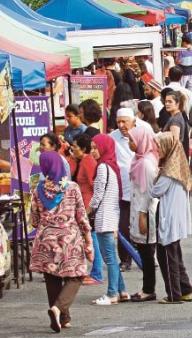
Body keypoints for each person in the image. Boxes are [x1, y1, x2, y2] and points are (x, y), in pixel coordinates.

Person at [30, 151, 93, 332]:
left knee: (52, 277)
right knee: (77, 275)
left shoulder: (38, 189)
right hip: (69, 239)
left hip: (45, 240)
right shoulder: (71, 187)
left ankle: (63, 319)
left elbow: (34, 220)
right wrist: (88, 240)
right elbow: (81, 216)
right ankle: (59, 309)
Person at [150, 133, 192, 304]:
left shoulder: (168, 172)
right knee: (175, 255)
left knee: (167, 257)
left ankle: (174, 294)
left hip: (168, 217)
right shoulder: (179, 167)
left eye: (160, 146)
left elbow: (155, 191)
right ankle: (185, 289)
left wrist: (155, 176)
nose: (157, 150)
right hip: (177, 217)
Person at [88, 135, 129, 305]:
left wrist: (86, 210)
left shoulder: (102, 167)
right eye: (91, 147)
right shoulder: (111, 166)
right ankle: (122, 290)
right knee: (111, 256)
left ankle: (112, 294)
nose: (93, 151)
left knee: (109, 257)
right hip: (111, 214)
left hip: (104, 216)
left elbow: (97, 196)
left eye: (96, 148)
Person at [127, 126, 160, 303]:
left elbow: (149, 192)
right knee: (143, 251)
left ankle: (149, 289)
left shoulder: (146, 163)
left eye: (132, 140)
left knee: (147, 253)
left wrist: (142, 215)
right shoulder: (138, 159)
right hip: (138, 210)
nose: (130, 143)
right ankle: (146, 287)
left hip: (145, 212)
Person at [69, 134, 103, 286]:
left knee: (92, 237)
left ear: (83, 149)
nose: (72, 149)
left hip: (88, 204)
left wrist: (91, 207)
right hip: (84, 204)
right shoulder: (82, 160)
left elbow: (94, 184)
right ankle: (94, 271)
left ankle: (97, 272)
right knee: (90, 237)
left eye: (75, 146)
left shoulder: (88, 161)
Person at [108, 108, 137, 271]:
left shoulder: (144, 132)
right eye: (118, 122)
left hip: (141, 189)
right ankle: (125, 260)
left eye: (124, 122)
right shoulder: (112, 138)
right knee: (124, 226)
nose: (121, 125)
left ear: (133, 122)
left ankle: (147, 257)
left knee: (143, 226)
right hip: (122, 190)